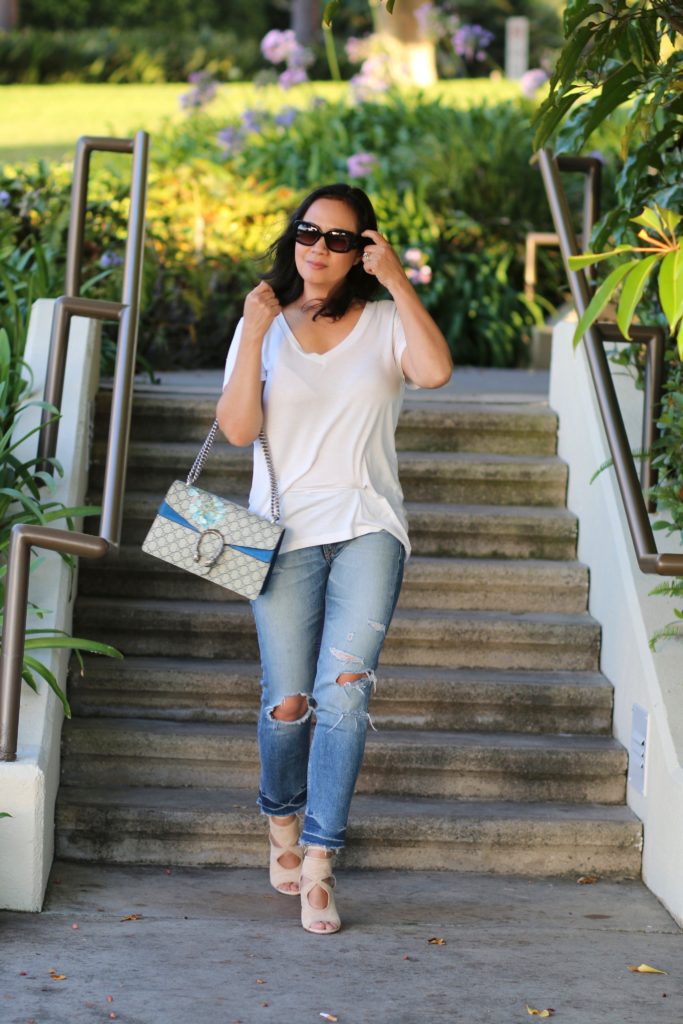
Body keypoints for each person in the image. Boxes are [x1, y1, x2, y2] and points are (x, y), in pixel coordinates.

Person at [216, 183, 452, 934]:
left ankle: (319, 860)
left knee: (343, 694)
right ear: (294, 240)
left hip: (368, 526)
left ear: (363, 250)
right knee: (287, 702)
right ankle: (280, 819)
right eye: (308, 233)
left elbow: (435, 371)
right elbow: (234, 430)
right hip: (278, 534)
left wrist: (398, 281)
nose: (318, 248)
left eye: (340, 239)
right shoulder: (262, 322)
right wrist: (254, 334)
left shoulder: (385, 321)